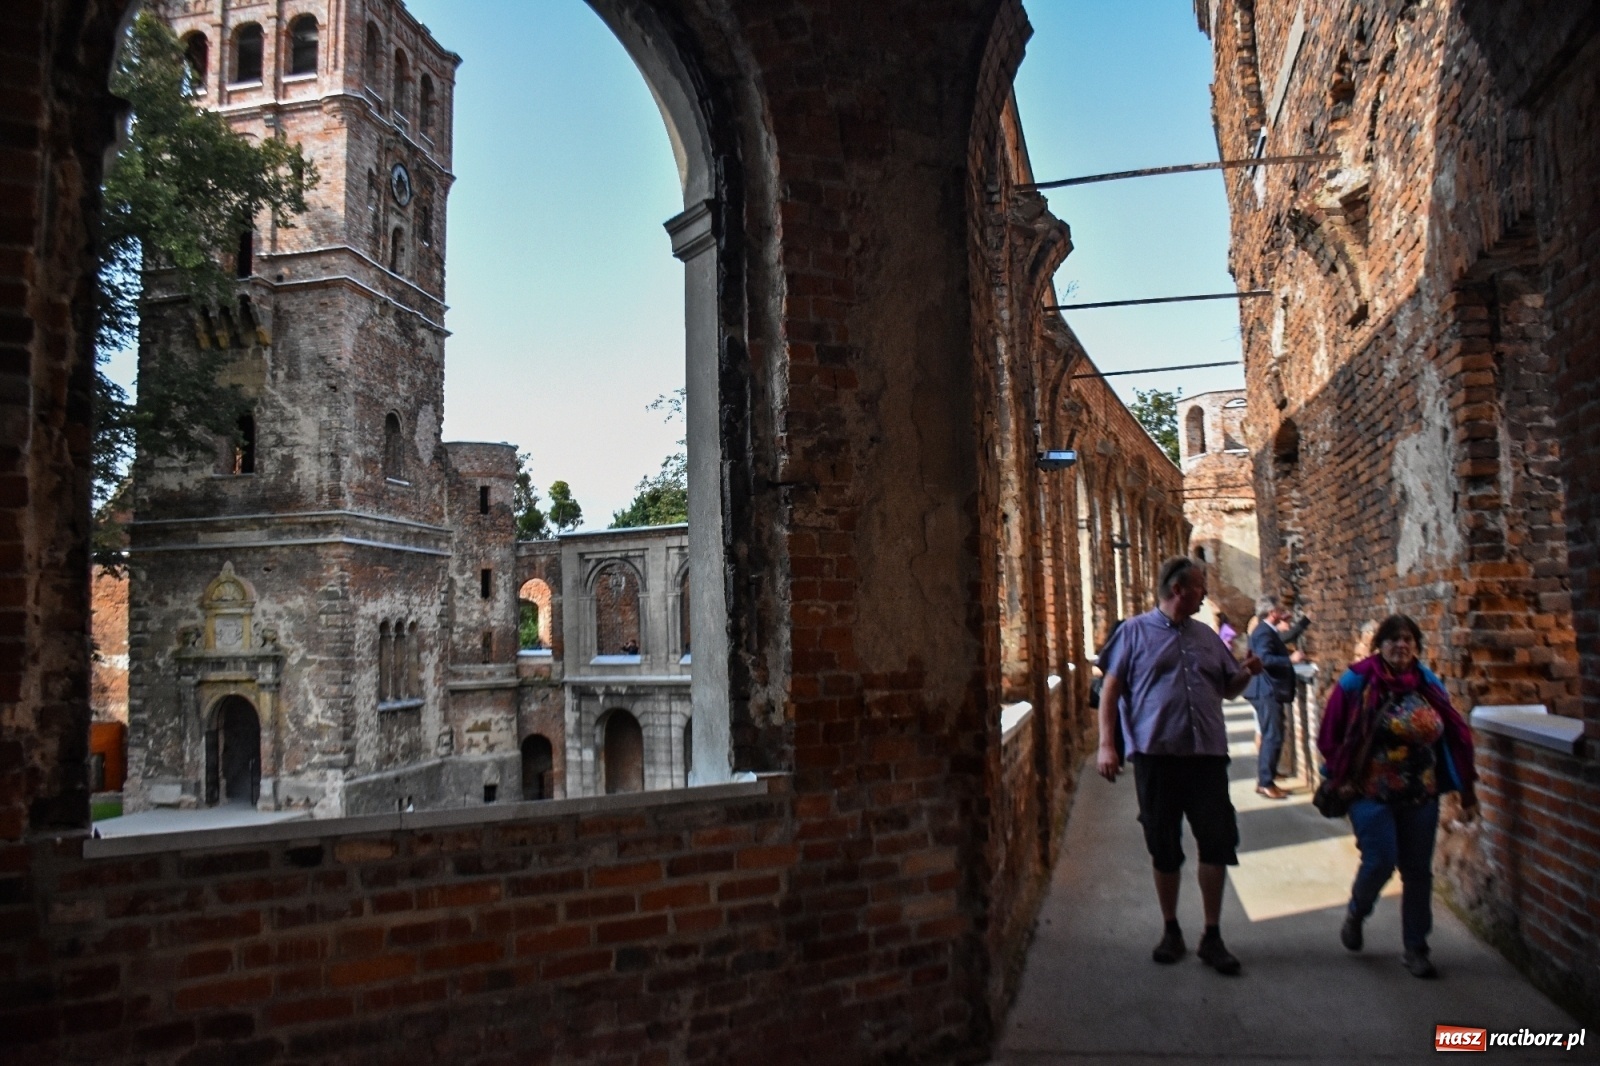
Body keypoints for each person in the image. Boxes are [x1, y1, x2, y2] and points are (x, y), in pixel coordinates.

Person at [1097, 557, 1263, 975]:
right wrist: (1106, 745)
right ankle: (1171, 929)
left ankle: (1212, 934)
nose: (1205, 594)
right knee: (1164, 843)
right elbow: (1110, 688)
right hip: (1157, 757)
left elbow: (1228, 689)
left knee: (1216, 841)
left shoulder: (1206, 636)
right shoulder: (1134, 632)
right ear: (1178, 589)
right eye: (1200, 586)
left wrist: (1246, 672)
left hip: (1206, 756)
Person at [1317, 614, 1476, 978]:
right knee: (1381, 859)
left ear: (1416, 645)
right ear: (1380, 645)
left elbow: (1454, 732)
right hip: (1369, 792)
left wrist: (1465, 784)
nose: (1401, 645)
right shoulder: (1357, 680)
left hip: (1421, 793)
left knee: (1418, 872)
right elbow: (1330, 733)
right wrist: (1340, 772)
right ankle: (1357, 912)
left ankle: (1416, 947)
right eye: (1393, 639)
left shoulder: (1428, 683)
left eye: (1408, 639)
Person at [1244, 596, 1310, 800]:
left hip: (1267, 690)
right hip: (1266, 690)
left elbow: (1282, 639)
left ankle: (1266, 777)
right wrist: (1290, 659)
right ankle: (1266, 783)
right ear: (1272, 613)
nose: (1283, 612)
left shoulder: (1267, 630)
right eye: (1280, 610)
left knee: (1272, 734)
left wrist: (1301, 622)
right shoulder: (1264, 632)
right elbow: (1264, 659)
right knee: (1273, 735)